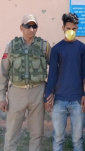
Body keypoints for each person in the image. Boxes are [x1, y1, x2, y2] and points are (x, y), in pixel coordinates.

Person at [0, 14, 52, 151]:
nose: (31, 29)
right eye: (28, 26)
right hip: (17, 92)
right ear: (21, 28)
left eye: (34, 26)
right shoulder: (11, 46)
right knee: (11, 133)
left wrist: (50, 92)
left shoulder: (44, 46)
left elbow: (54, 69)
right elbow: (3, 72)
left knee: (36, 133)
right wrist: (1, 97)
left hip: (38, 92)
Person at [44, 13, 85, 151]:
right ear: (63, 28)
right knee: (58, 138)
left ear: (77, 29)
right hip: (59, 101)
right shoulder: (56, 49)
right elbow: (52, 74)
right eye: (68, 28)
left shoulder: (83, 48)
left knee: (77, 140)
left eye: (74, 28)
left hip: (77, 101)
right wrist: (47, 96)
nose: (71, 31)